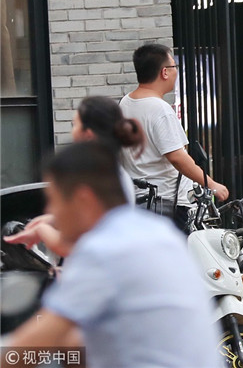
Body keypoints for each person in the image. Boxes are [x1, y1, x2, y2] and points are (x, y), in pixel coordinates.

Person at [3, 141, 220, 367]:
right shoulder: (159, 233)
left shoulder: (103, 251)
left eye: (54, 201)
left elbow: (35, 342)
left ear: (83, 200)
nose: (51, 212)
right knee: (72, 343)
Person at [4, 96, 145, 257]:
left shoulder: (98, 177)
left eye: (75, 125)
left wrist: (42, 230)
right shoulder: (111, 173)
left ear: (88, 135)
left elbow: (79, 247)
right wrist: (53, 220)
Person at [120, 43, 229, 231]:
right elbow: (177, 157)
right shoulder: (160, 110)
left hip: (140, 201)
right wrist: (211, 184)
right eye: (174, 66)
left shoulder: (125, 103)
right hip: (166, 204)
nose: (176, 72)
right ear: (164, 72)